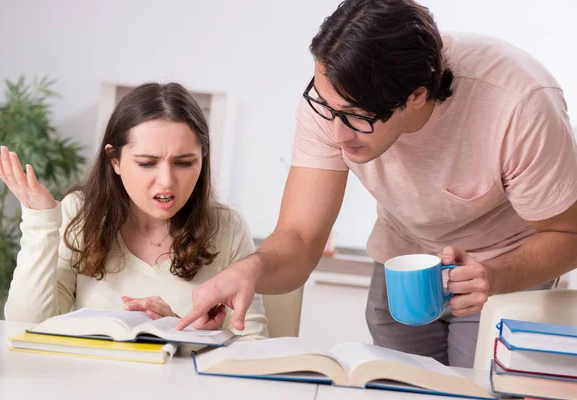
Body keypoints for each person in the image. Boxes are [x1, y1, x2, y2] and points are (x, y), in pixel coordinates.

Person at [177, 0, 577, 366]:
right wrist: (249, 270)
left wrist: (497, 275)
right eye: (327, 108)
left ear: (416, 96)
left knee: (473, 386)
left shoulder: (519, 104)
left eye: (355, 116)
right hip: (402, 261)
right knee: (394, 384)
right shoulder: (335, 98)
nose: (336, 135)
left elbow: (569, 231)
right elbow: (300, 236)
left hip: (503, 265)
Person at [0, 82, 268, 339]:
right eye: (147, 163)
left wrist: (176, 330)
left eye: (184, 163)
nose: (167, 180)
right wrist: (40, 221)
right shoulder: (79, 215)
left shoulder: (227, 227)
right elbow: (25, 325)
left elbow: (250, 345)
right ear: (115, 160)